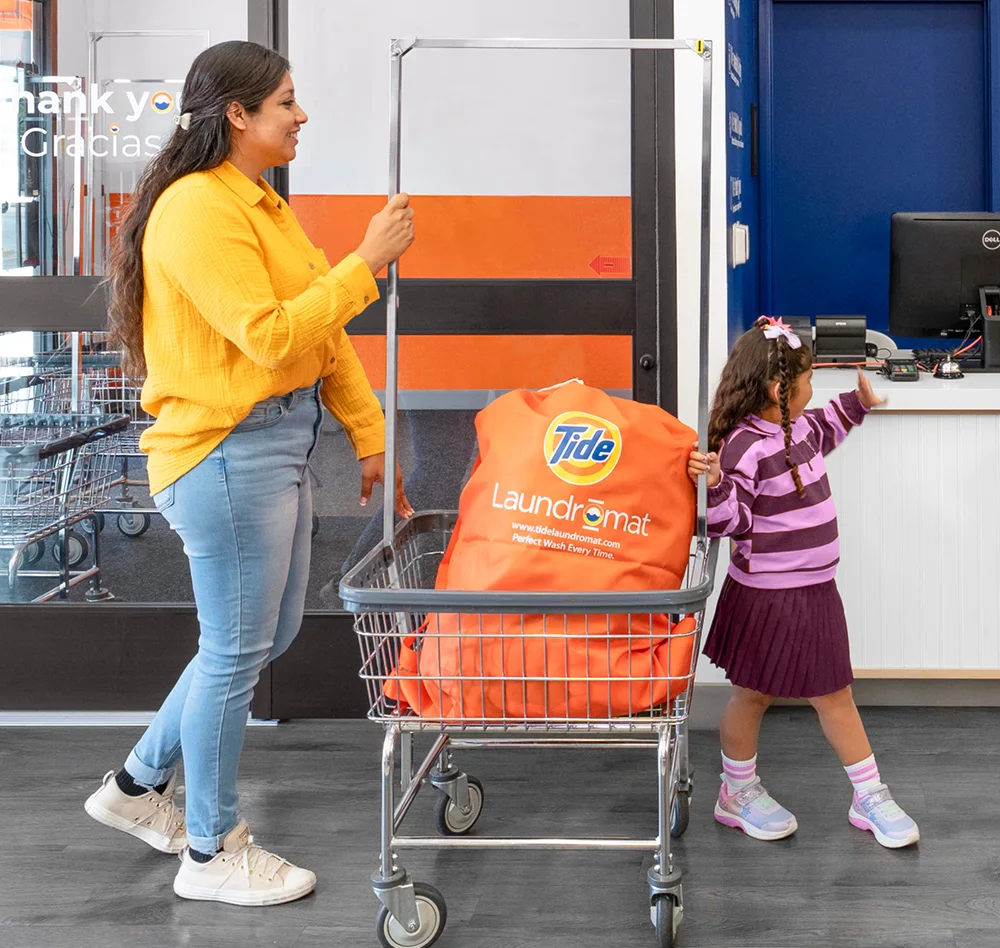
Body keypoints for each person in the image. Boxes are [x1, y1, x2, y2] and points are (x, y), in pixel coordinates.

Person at [84, 40, 415, 906]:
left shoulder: (259, 205)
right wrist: (367, 261)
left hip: (273, 445)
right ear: (238, 114)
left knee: (258, 643)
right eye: (287, 102)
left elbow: (318, 334)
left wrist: (367, 434)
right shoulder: (197, 210)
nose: (301, 115)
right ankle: (211, 850)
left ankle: (136, 787)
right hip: (224, 454)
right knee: (236, 653)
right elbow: (270, 336)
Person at [687, 316, 919, 849]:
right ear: (779, 390)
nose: (815, 391)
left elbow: (828, 425)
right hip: (767, 597)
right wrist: (718, 482)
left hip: (815, 593)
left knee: (833, 693)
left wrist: (859, 404)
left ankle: (868, 796)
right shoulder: (745, 446)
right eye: (809, 380)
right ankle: (738, 793)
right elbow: (730, 522)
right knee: (754, 696)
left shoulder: (797, 428)